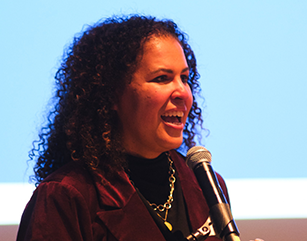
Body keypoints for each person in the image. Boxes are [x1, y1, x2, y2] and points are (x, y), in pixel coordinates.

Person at [17, 15, 231, 241]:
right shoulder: (67, 196)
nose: (182, 93)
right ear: (111, 94)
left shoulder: (206, 187)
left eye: (185, 78)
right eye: (161, 78)